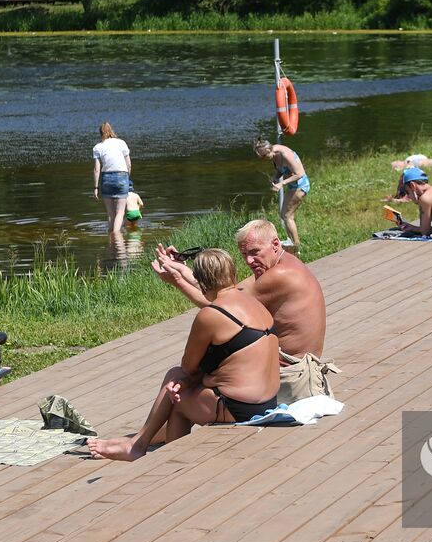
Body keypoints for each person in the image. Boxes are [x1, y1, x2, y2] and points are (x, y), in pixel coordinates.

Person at [87, 248, 280, 460]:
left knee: (176, 391)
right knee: (179, 388)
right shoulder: (254, 303)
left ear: (202, 281)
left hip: (240, 408)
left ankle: (143, 447)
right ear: (232, 273)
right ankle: (143, 447)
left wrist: (189, 381)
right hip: (268, 404)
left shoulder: (211, 315)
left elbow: (188, 368)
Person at [157, 219, 326, 362]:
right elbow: (224, 291)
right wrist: (180, 268)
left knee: (197, 371)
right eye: (244, 254)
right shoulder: (280, 265)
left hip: (294, 372)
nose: (249, 260)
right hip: (290, 364)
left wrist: (178, 281)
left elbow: (220, 307)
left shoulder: (280, 275)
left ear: (275, 244)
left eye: (254, 252)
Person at [255, 138, 308, 249]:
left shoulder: (285, 154)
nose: (264, 160)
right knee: (285, 214)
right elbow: (281, 170)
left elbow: (300, 174)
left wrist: (281, 184)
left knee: (286, 215)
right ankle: (291, 242)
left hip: (300, 185)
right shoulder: (274, 155)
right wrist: (275, 177)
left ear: (269, 150)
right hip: (293, 186)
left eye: (264, 157)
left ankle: (296, 245)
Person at [92, 122, 132, 235]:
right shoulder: (122, 143)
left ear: (100, 133)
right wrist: (126, 180)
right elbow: (129, 165)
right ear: (111, 130)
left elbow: (96, 169)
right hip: (121, 176)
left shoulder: (98, 147)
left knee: (110, 214)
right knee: (120, 213)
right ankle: (116, 238)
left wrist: (95, 188)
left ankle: (111, 243)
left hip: (106, 179)